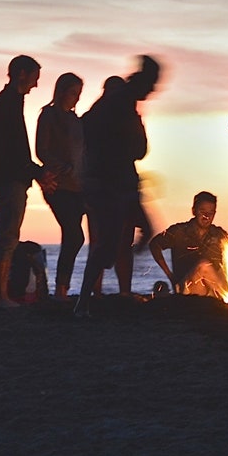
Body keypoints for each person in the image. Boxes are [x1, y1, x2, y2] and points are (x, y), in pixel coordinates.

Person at [77, 55, 161, 317]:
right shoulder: (119, 104)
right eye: (153, 84)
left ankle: (98, 287)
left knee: (142, 232)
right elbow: (137, 148)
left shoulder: (121, 105)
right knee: (109, 244)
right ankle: (84, 301)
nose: (154, 90)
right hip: (111, 183)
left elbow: (137, 148)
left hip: (120, 182)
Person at [0, 55, 54, 309]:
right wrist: (35, 172)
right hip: (9, 178)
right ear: (22, 74)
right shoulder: (8, 103)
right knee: (7, 236)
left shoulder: (10, 102)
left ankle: (0, 296)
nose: (36, 85)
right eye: (34, 78)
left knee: (8, 235)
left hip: (10, 177)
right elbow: (14, 149)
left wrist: (34, 173)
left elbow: (16, 149)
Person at [36, 73, 87, 298]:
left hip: (79, 186)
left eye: (79, 94)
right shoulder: (49, 115)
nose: (76, 98)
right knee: (75, 235)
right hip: (57, 184)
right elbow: (41, 150)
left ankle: (63, 290)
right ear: (62, 91)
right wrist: (61, 167)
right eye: (73, 93)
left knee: (72, 236)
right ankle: (61, 288)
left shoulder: (77, 121)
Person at [149, 191, 228, 299]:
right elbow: (154, 245)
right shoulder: (179, 232)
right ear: (194, 211)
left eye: (211, 212)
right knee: (204, 266)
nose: (207, 216)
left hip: (213, 289)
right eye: (203, 211)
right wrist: (170, 276)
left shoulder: (219, 234)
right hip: (188, 289)